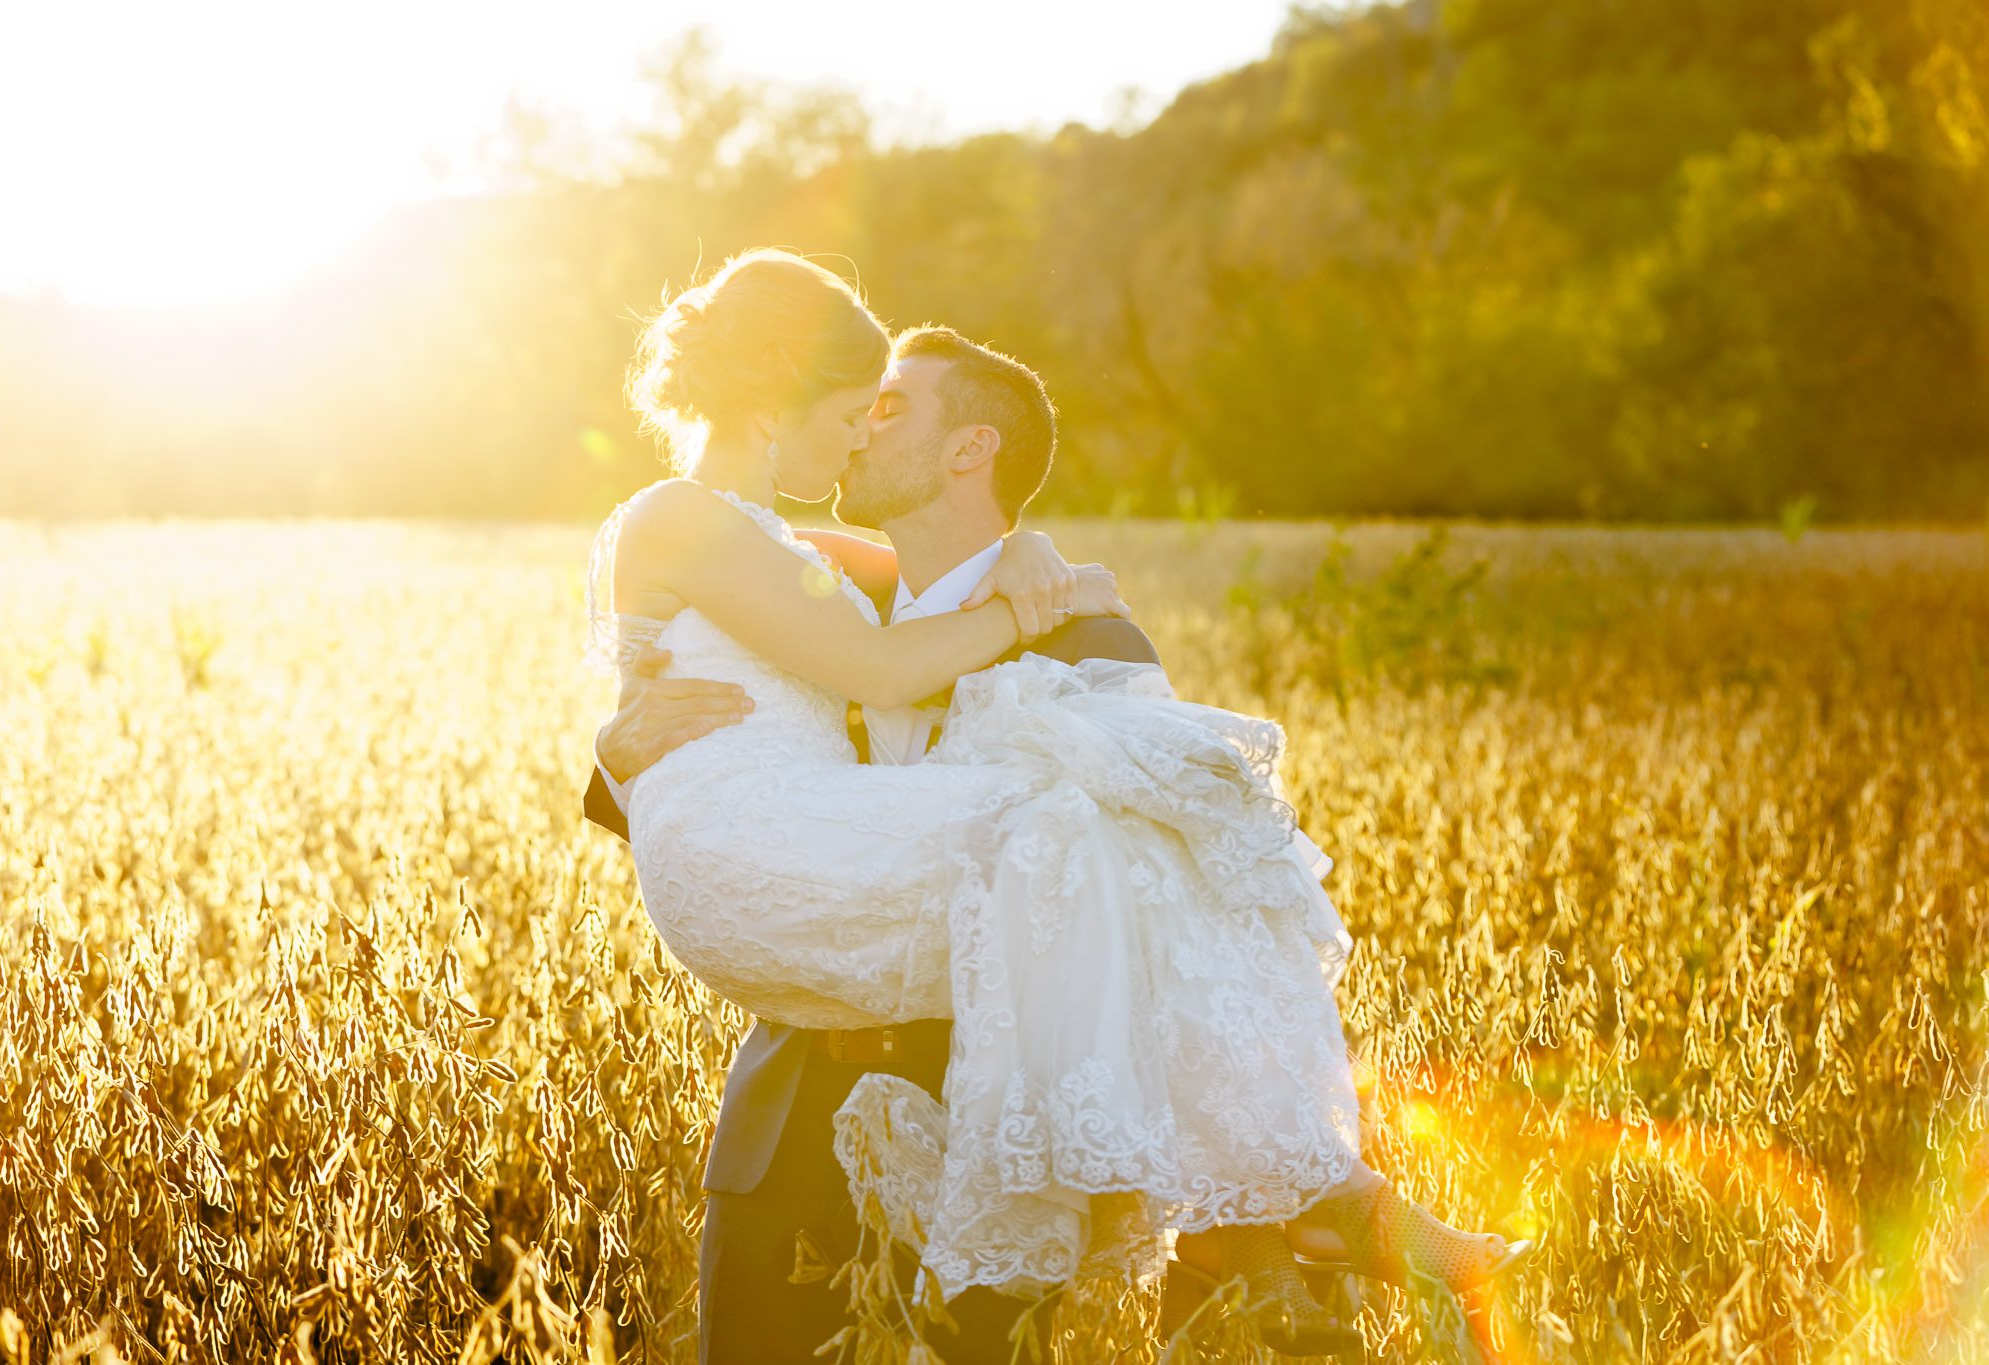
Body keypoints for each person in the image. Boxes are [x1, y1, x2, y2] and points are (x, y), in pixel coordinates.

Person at [583, 248, 1528, 1358]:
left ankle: (1292, 1213)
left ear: (966, 448)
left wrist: (1033, 563)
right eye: (857, 405)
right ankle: (1320, 1209)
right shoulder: (814, 591)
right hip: (793, 1120)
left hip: (988, 1128)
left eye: (888, 408)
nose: (858, 431)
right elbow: (747, 704)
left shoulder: (1086, 633)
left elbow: (1172, 875)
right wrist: (613, 756)